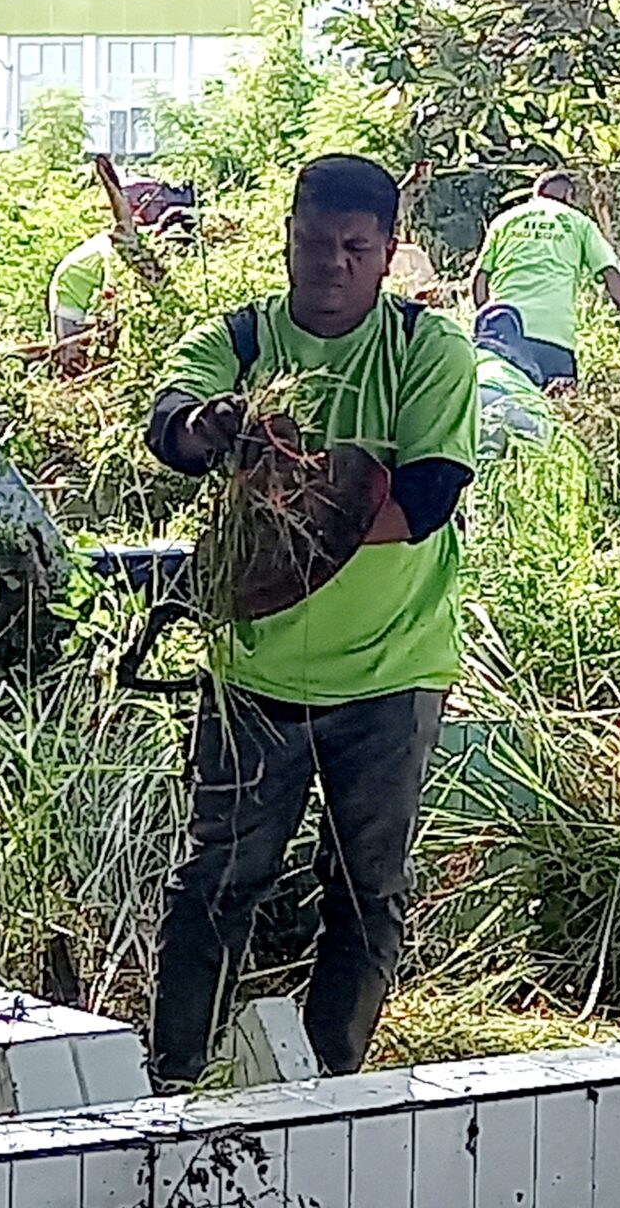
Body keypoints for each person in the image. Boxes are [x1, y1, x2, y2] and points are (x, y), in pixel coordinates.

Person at [141, 154, 477, 1086]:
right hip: (252, 676)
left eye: (354, 248)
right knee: (215, 882)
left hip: (390, 671)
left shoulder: (427, 351)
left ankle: (330, 1086)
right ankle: (175, 1075)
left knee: (367, 891)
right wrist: (205, 429)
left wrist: (285, 525)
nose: (330, 264)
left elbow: (428, 497)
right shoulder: (243, 342)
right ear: (286, 236)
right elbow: (168, 423)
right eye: (313, 242)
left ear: (387, 254)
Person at [470, 169, 620, 388]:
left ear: (536, 195)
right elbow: (611, 274)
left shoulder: (505, 220)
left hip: (505, 332)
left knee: (498, 407)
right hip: (554, 337)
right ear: (569, 197)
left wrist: (485, 319)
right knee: (558, 412)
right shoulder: (579, 222)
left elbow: (480, 278)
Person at [50, 175, 193, 351]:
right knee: (74, 356)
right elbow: (119, 291)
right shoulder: (120, 245)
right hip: (72, 297)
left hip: (82, 290)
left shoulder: (140, 240)